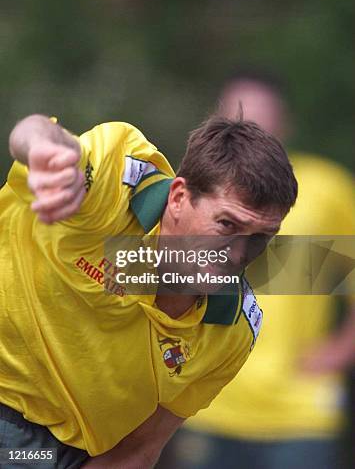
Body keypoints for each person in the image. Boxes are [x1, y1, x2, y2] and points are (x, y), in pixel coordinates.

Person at [0, 113, 297, 468]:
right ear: (177, 197)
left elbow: (138, 450)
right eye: (226, 224)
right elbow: (35, 131)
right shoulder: (116, 184)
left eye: (260, 237)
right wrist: (44, 151)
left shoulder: (232, 330)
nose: (237, 253)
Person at [165, 72, 355, 469]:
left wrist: (340, 350)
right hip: (208, 404)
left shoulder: (326, 188)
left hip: (299, 411)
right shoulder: (197, 193)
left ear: (284, 123)